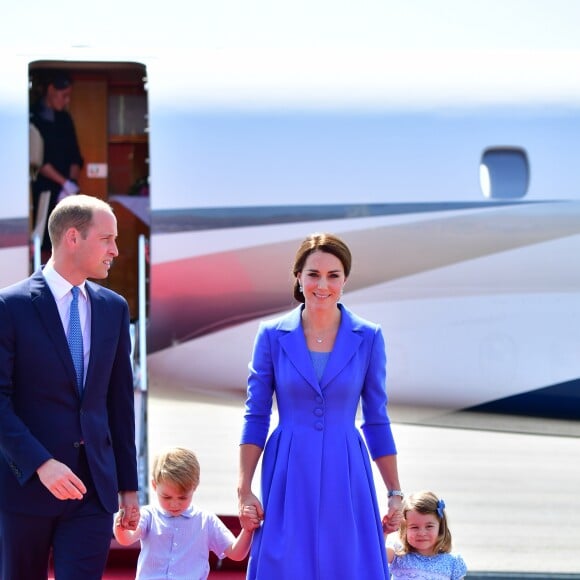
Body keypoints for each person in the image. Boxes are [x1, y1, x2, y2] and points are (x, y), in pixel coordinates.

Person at [237, 232, 404, 579]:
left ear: (345, 280)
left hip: (347, 466)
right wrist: (244, 488)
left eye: (333, 276)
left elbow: (376, 419)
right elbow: (256, 413)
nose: (322, 285)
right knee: (286, 561)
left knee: (346, 560)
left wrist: (394, 492)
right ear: (298, 277)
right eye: (313, 274)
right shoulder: (271, 334)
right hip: (288, 465)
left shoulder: (369, 336)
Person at [0, 194, 140, 580]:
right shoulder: (10, 306)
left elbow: (118, 404)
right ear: (73, 238)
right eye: (107, 239)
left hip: (92, 491)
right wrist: (41, 464)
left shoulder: (114, 308)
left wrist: (128, 486)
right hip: (24, 487)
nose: (115, 250)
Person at [114, 446, 260, 579]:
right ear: (154, 485)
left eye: (183, 497)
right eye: (166, 497)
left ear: (195, 487)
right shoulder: (149, 515)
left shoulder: (205, 520)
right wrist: (121, 527)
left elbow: (236, 553)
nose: (174, 503)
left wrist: (247, 530)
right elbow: (126, 539)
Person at [30, 70, 84, 261]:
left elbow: (76, 157)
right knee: (45, 240)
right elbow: (37, 160)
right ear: (51, 89)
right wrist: (63, 183)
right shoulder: (33, 117)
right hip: (43, 191)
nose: (67, 100)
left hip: (66, 193)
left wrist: (70, 184)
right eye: (64, 95)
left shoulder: (65, 119)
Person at [386, 490, 467, 580]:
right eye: (414, 527)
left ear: (440, 527)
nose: (422, 533)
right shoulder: (398, 553)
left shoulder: (452, 563)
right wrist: (385, 532)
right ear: (405, 528)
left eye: (429, 526)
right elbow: (376, 556)